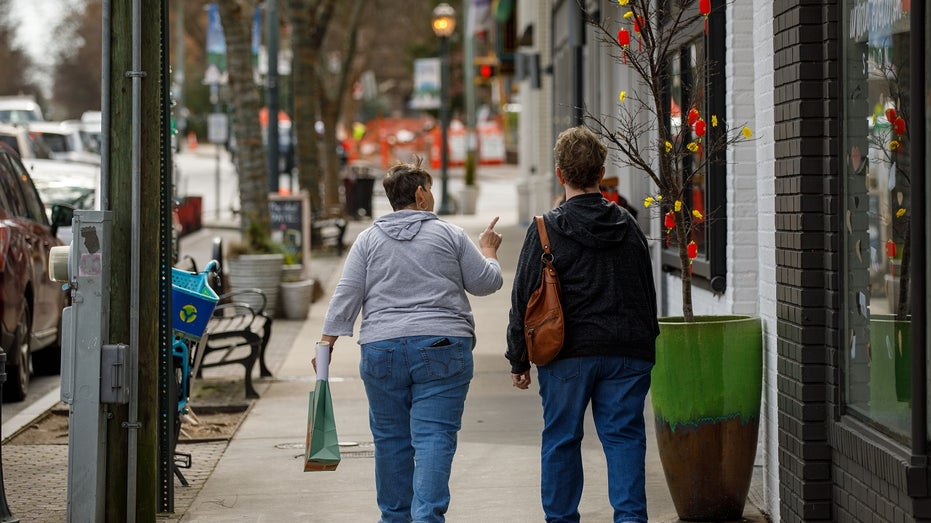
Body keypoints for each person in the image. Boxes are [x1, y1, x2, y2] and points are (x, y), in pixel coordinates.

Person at [318, 156, 504, 523]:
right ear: (420, 194)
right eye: (430, 190)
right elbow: (486, 283)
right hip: (443, 348)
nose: (431, 197)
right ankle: (427, 518)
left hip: (381, 349)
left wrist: (326, 343)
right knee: (434, 436)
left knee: (390, 441)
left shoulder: (368, 240)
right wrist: (489, 251)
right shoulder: (449, 234)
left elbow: (347, 293)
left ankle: (393, 518)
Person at [506, 126, 659, 523]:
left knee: (561, 440)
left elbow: (523, 298)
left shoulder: (545, 229)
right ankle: (630, 519)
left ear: (561, 175)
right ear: (601, 171)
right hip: (626, 353)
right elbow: (646, 288)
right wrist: (647, 347)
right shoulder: (626, 225)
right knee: (625, 438)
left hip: (565, 355)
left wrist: (518, 359)